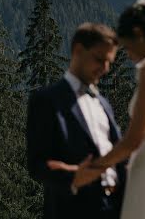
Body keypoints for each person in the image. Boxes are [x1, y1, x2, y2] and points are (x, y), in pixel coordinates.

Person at [50, 0, 145, 219]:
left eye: (128, 46)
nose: (129, 55)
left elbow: (133, 140)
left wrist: (94, 167)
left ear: (139, 33)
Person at [27, 23, 126, 219]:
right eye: (99, 59)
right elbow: (37, 165)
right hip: (74, 209)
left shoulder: (103, 103)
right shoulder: (47, 100)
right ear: (78, 50)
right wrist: (74, 176)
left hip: (116, 208)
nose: (105, 68)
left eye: (109, 62)